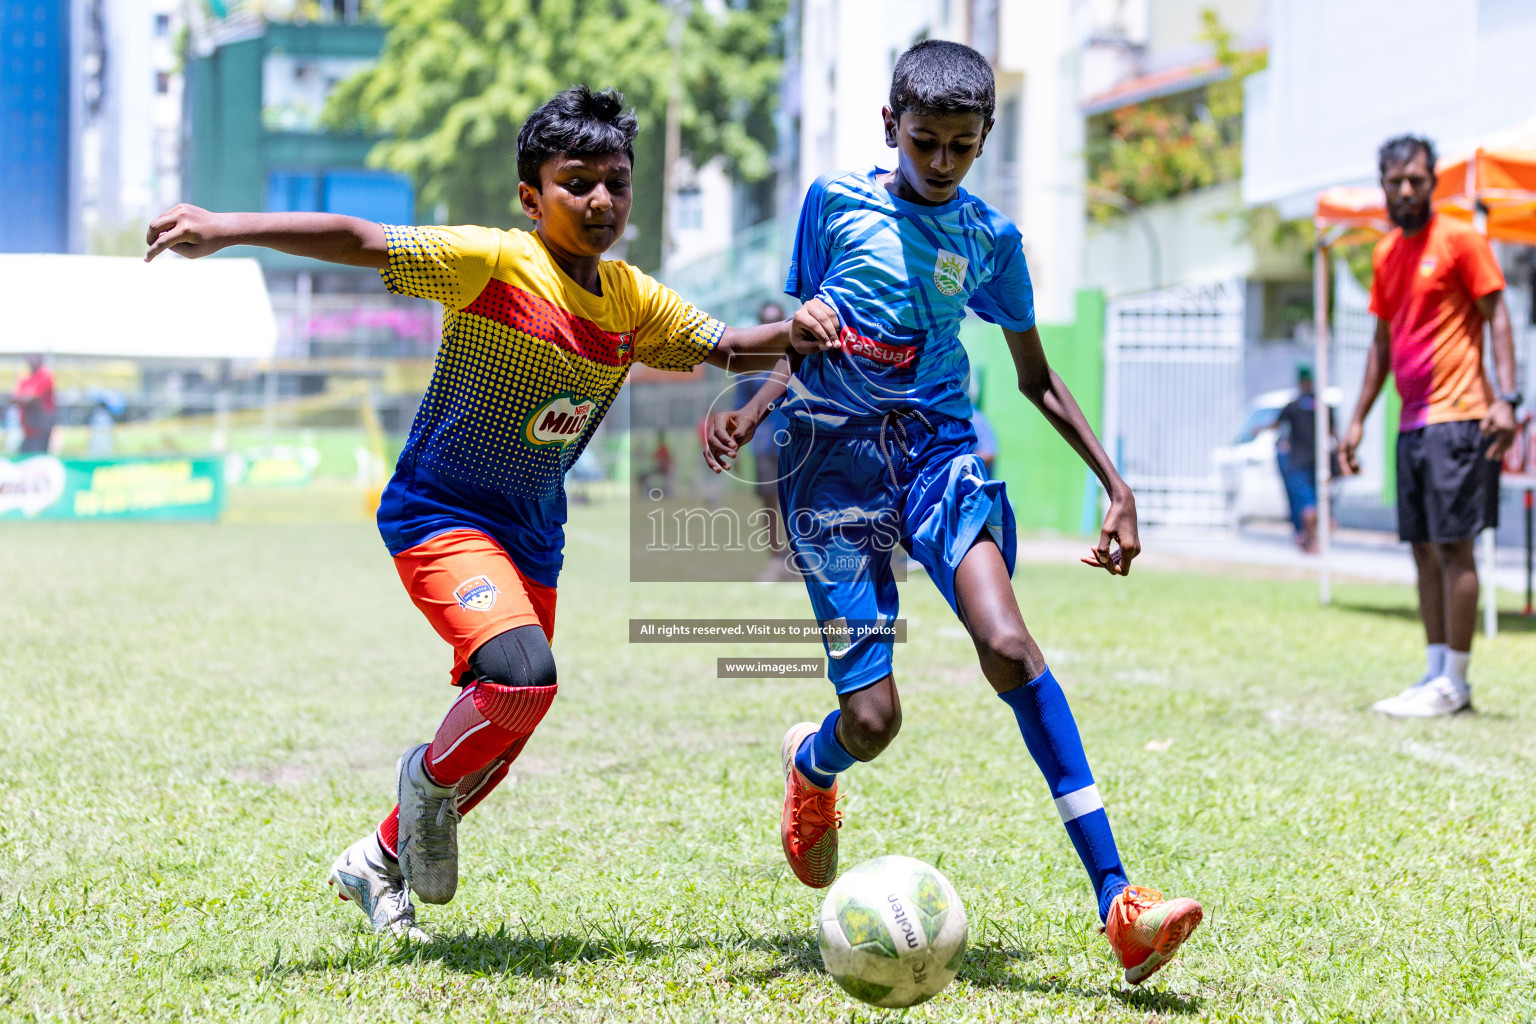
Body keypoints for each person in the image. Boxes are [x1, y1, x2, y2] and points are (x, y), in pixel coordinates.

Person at [145, 86, 793, 939]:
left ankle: (375, 860)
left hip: (532, 531)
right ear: (532, 198)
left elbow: (735, 348)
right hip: (441, 513)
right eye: (577, 183)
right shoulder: (491, 261)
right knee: (522, 679)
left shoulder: (634, 301)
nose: (601, 201)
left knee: (505, 728)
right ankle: (419, 781)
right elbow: (362, 238)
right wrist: (228, 228)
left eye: (617, 183)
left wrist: (823, 326)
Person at [704, 40, 1201, 985]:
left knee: (1010, 646)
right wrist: (754, 409)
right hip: (833, 466)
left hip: (939, 455)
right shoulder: (832, 203)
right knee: (876, 721)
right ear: (890, 126)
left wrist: (1116, 484)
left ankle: (1121, 905)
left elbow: (1035, 376)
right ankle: (814, 766)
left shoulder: (989, 241)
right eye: (923, 141)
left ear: (983, 141)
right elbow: (802, 331)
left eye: (960, 147)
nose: (938, 163)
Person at [1340, 134, 1520, 718]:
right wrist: (1358, 420)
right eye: (1396, 181)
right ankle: (1436, 671)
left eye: (1417, 179)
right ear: (1384, 184)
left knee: (1454, 547)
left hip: (1461, 416)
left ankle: (1457, 681)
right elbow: (1381, 344)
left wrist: (1508, 398)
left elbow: (1498, 317)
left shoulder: (1462, 238)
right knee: (1421, 549)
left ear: (1432, 180)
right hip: (1411, 423)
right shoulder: (1386, 253)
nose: (1406, 189)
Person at [731, 300, 795, 579]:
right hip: (764, 445)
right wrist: (733, 444)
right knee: (769, 502)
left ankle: (800, 558)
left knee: (797, 500)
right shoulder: (749, 363)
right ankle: (776, 559)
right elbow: (739, 406)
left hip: (796, 439)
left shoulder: (797, 357)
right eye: (766, 319)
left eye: (777, 319)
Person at [1275, 365, 1334, 552]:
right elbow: (1334, 433)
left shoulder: (1293, 406)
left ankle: (1311, 542)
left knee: (1306, 504)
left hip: (1298, 462)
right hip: (1319, 461)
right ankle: (1312, 538)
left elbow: (1278, 427)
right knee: (1317, 502)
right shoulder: (1323, 407)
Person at [12, 354, 57, 455]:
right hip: (28, 429)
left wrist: (19, 399)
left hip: (41, 429)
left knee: (37, 457)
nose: (32, 360)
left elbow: (30, 398)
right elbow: (16, 396)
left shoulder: (45, 375)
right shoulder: (26, 377)